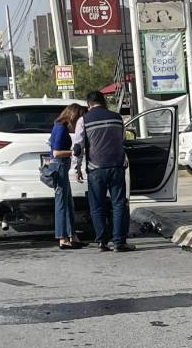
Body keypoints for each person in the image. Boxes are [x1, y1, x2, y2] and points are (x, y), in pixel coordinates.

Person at [72, 91, 134, 252]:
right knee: (119, 204)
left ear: (89, 105)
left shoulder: (83, 120)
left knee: (97, 205)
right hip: (117, 166)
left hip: (95, 169)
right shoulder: (117, 118)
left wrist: (77, 168)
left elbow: (78, 147)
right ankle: (119, 242)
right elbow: (122, 139)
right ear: (104, 102)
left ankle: (102, 241)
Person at [48, 103, 86, 250]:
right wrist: (73, 152)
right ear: (73, 116)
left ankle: (72, 236)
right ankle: (62, 238)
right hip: (59, 166)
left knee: (68, 202)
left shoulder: (60, 127)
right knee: (62, 203)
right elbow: (56, 152)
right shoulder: (60, 128)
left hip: (62, 166)